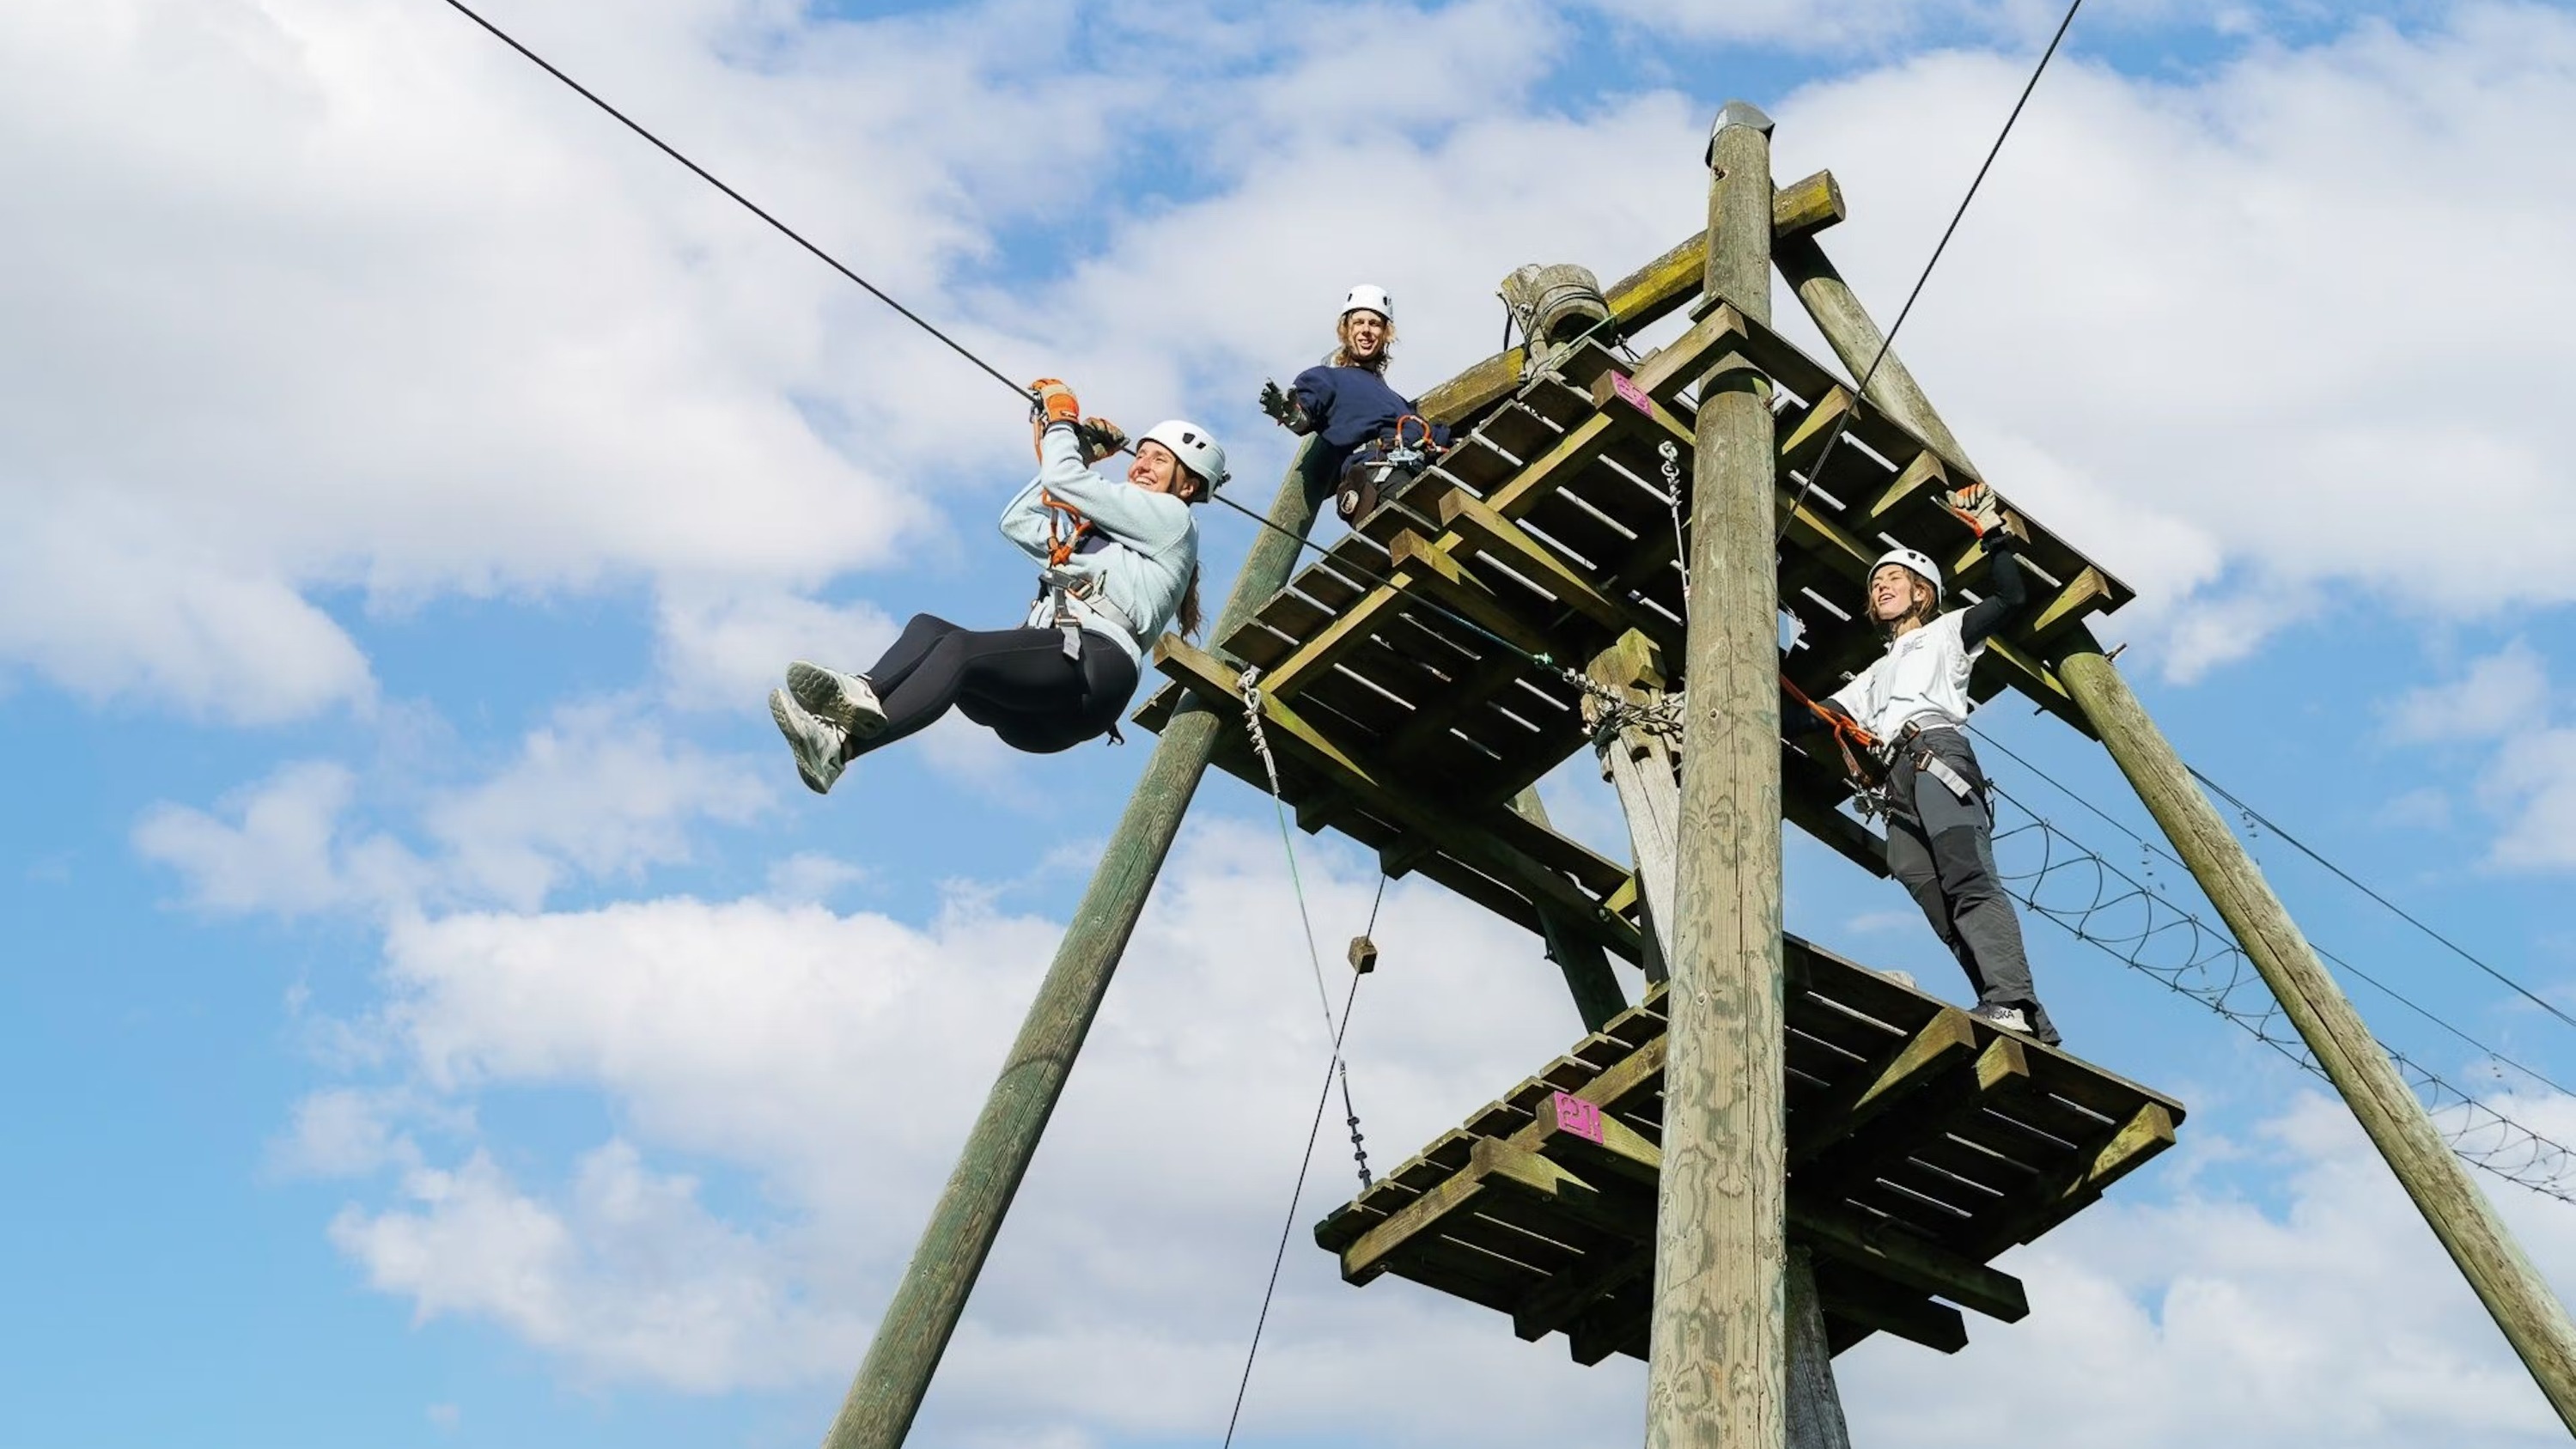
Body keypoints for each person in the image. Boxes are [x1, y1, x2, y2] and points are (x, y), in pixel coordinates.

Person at [766, 379, 1226, 795]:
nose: (1142, 465)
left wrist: (1063, 428)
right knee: (930, 629)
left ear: (1188, 486)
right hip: (1039, 706)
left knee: (959, 651)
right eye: (1141, 454)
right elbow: (1017, 521)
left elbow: (1062, 478)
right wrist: (1080, 448)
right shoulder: (1100, 537)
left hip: (1093, 671)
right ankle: (845, 723)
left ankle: (840, 740)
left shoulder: (1173, 521)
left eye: (1159, 459)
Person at [1788, 482, 2061, 1046]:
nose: (1881, 586)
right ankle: (2002, 1002)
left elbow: (2010, 598)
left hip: (1937, 752)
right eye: (1875, 583)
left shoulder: (1947, 633)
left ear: (1922, 593)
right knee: (1926, 888)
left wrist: (1992, 535)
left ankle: (2014, 1001)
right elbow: (1810, 717)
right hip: (1895, 780)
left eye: (1892, 580)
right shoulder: (1872, 675)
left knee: (1967, 877)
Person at [1259, 284, 1450, 522]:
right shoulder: (1327, 378)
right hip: (1378, 473)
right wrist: (1291, 414)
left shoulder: (1397, 401)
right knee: (1425, 521)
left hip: (1417, 467)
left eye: (1374, 323)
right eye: (1359, 322)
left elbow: (1431, 435)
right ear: (1346, 329)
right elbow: (1304, 416)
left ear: (1385, 333)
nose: (1366, 330)